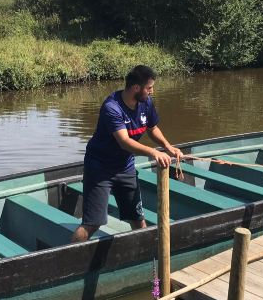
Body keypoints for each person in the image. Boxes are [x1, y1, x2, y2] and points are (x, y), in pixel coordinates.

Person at [71, 65, 183, 242]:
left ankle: (145, 257)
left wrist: (168, 147)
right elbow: (124, 142)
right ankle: (72, 260)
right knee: (93, 222)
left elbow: (152, 129)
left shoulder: (146, 103)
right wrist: (154, 152)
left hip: (125, 167)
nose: (152, 91)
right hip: (100, 168)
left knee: (137, 219)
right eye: (149, 87)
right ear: (136, 88)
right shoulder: (112, 107)